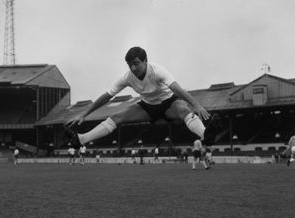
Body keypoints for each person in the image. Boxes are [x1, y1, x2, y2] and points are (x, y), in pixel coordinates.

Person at [65, 47, 221, 149]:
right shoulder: (127, 77)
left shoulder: (158, 71)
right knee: (116, 116)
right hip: (147, 107)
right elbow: (107, 96)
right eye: (129, 65)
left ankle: (205, 136)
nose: (133, 68)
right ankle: (81, 139)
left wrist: (198, 105)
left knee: (184, 109)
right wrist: (84, 114)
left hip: (168, 103)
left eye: (136, 63)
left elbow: (177, 90)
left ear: (145, 61)